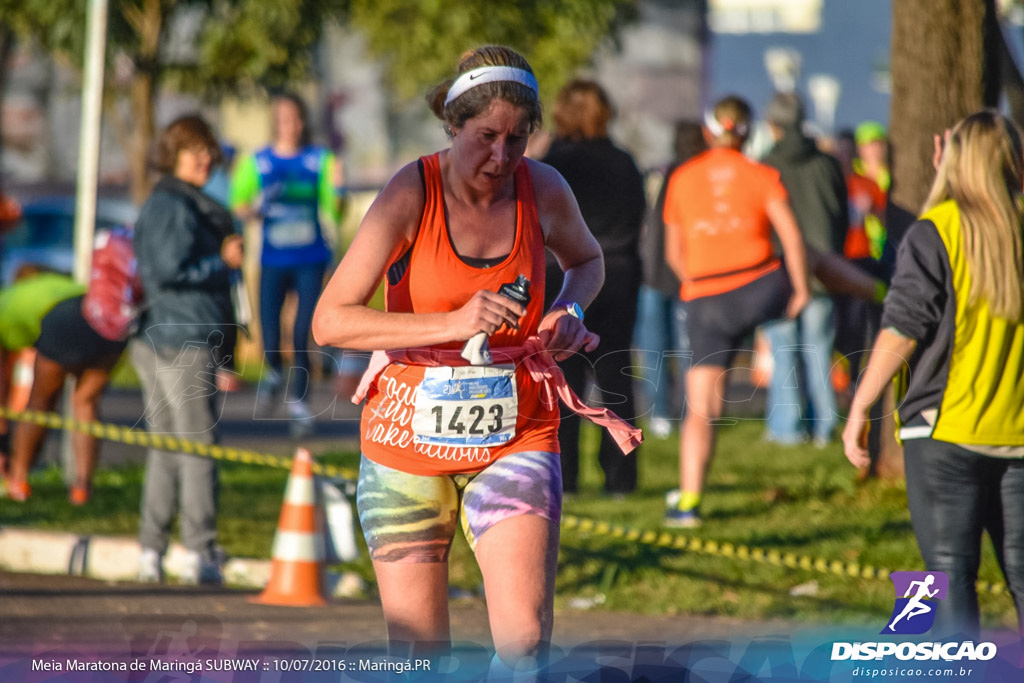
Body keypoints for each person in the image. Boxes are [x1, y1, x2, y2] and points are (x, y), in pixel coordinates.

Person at [311, 45, 640, 675]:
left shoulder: (543, 188)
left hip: (517, 431)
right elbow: (331, 321)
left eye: (517, 140)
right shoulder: (412, 190)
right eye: (485, 136)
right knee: (417, 655)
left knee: (523, 644)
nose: (500, 156)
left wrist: (568, 310)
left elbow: (588, 261)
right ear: (453, 126)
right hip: (405, 438)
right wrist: (452, 322)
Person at [843, 111, 1024, 638]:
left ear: (953, 160)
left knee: (948, 576)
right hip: (1016, 434)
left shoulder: (937, 230)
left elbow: (903, 327)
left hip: (944, 431)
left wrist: (861, 407)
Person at [662, 95, 810, 528]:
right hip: (760, 285)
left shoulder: (683, 178)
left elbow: (675, 255)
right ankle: (878, 290)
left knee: (701, 408)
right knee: (819, 260)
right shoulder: (762, 174)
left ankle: (688, 501)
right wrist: (800, 290)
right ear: (747, 133)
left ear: (709, 132)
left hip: (707, 297)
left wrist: (697, 285)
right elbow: (794, 238)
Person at [131, 114, 243, 585]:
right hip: (183, 338)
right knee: (196, 449)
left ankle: (151, 551)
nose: (203, 159)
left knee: (167, 449)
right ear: (173, 153)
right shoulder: (175, 204)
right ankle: (200, 552)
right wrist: (220, 261)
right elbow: (165, 270)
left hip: (162, 336)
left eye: (208, 151)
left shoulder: (169, 201)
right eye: (193, 150)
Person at [541, 79, 646, 496]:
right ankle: (621, 477)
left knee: (559, 378)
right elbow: (638, 217)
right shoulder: (624, 163)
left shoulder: (553, 164)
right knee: (616, 377)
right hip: (618, 275)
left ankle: (563, 476)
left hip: (560, 277)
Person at [229, 92, 346, 436]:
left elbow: (335, 210)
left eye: (295, 118)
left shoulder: (319, 160)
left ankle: (300, 404)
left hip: (310, 258)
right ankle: (275, 372)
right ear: (274, 123)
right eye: (282, 119)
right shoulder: (259, 162)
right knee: (268, 333)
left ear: (303, 122)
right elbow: (238, 203)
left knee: (300, 333)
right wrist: (253, 210)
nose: (289, 126)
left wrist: (338, 189)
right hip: (272, 260)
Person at [758, 92, 847, 447]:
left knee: (784, 352)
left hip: (778, 271)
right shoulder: (826, 164)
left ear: (773, 125)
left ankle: (787, 429)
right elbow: (841, 215)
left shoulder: (766, 166)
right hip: (823, 272)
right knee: (819, 351)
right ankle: (824, 427)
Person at [0, 269, 99, 503]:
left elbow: (2, 388)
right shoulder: (43, 286)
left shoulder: (7, 304)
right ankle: (82, 488)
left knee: (39, 402)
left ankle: (18, 481)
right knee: (85, 402)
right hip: (97, 315)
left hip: (62, 320)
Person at [635, 121, 705, 438]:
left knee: (654, 350)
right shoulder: (698, 178)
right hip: (689, 272)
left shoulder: (658, 175)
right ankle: (692, 412)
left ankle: (660, 413)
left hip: (652, 272)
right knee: (689, 347)